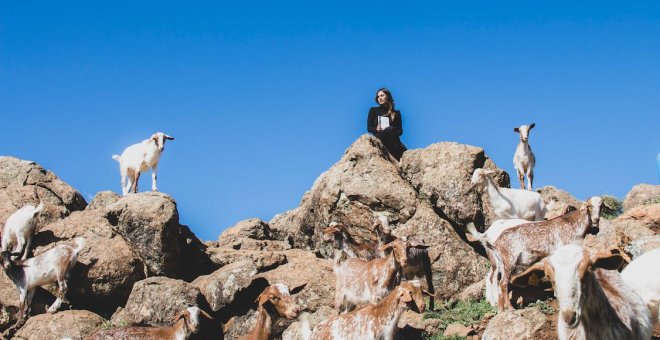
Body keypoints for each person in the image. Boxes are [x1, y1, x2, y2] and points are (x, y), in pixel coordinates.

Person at [366, 88, 407, 160]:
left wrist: (392, 130)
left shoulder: (396, 113)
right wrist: (376, 129)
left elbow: (400, 131)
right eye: (378, 97)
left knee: (391, 130)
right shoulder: (373, 110)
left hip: (392, 138)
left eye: (382, 95)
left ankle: (397, 156)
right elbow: (369, 128)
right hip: (380, 136)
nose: (379, 98)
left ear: (388, 97)